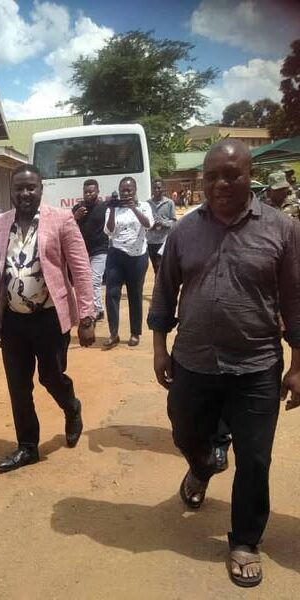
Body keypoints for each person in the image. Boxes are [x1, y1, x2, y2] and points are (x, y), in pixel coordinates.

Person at [148, 140, 300, 587]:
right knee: (185, 433)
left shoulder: (283, 229)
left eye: (230, 175)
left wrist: (297, 365)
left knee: (254, 458)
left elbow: (295, 301)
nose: (220, 184)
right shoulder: (184, 231)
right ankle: (201, 467)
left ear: (249, 176)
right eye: (211, 175)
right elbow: (165, 292)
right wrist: (159, 348)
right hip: (193, 361)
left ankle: (245, 541)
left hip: (256, 365)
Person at [0, 164, 95, 472]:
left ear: (40, 189)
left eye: (31, 187)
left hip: (49, 318)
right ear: (11, 191)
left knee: (51, 376)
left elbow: (81, 268)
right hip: (13, 320)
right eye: (19, 188)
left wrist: (87, 317)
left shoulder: (61, 219)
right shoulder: (0, 223)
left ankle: (71, 406)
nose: (25, 193)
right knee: (18, 386)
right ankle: (27, 447)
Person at [103, 177, 153, 349]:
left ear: (135, 190)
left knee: (135, 294)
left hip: (137, 256)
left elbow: (148, 224)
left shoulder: (144, 206)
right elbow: (109, 231)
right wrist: (111, 209)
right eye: (123, 190)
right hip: (116, 254)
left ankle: (135, 333)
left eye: (129, 190)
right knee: (111, 293)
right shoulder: (113, 208)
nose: (126, 193)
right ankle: (113, 333)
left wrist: (133, 208)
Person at [72, 179, 109, 321]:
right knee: (83, 282)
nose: (88, 194)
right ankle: (89, 309)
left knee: (94, 280)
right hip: (82, 251)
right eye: (85, 192)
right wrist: (75, 217)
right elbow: (67, 226)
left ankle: (97, 310)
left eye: (91, 192)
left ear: (98, 192)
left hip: (100, 250)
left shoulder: (104, 207)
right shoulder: (77, 208)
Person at [146, 179, 176, 274]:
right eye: (154, 188)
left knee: (161, 267)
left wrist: (163, 223)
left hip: (164, 242)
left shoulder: (169, 203)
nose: (156, 190)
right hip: (151, 241)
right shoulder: (147, 204)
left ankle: (160, 283)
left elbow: (174, 222)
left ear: (163, 188)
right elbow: (145, 223)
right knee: (156, 268)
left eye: (159, 188)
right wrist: (152, 224)